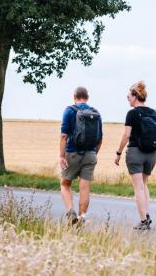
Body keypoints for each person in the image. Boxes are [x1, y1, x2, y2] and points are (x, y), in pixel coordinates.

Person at [114, 81, 156, 230]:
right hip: (152, 155)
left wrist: (118, 152)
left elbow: (126, 135)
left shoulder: (132, 113)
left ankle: (143, 221)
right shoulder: (154, 112)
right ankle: (146, 215)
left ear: (135, 96)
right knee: (144, 185)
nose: (128, 99)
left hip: (136, 153)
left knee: (138, 188)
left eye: (128, 96)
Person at [60, 86, 103, 225]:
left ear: (74, 96)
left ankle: (70, 211)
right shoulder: (95, 113)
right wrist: (93, 154)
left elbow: (63, 136)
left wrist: (61, 156)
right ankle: (82, 218)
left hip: (72, 153)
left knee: (65, 184)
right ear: (87, 97)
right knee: (84, 188)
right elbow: (100, 139)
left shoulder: (69, 111)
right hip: (91, 154)